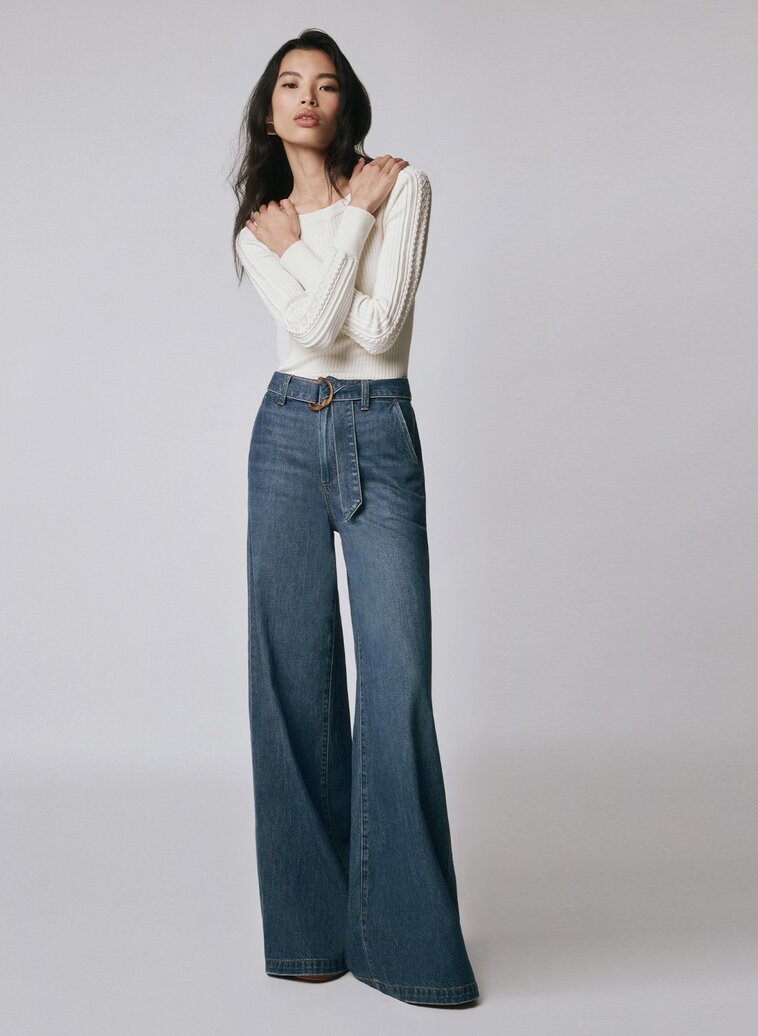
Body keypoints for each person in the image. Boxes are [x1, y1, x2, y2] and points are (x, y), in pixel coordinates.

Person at [231, 29, 477, 1008]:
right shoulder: (258, 226)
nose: (308, 96)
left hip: (379, 429)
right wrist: (326, 237)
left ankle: (406, 948)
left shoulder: (399, 188)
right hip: (286, 436)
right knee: (290, 683)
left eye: (326, 84)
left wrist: (341, 223)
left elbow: (371, 330)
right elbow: (308, 331)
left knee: (398, 679)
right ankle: (308, 937)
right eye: (290, 83)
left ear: (346, 103)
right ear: (269, 111)